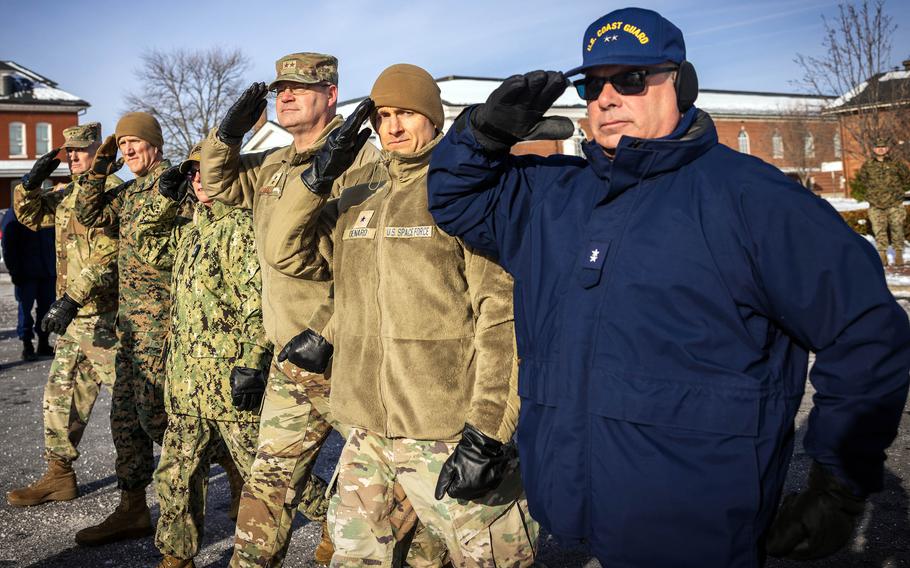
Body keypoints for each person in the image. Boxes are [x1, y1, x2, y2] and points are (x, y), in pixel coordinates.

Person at [426, 7, 910, 566]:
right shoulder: (555, 198)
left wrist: (840, 483)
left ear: (679, 84)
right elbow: (456, 199)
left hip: (697, 523)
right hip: (581, 508)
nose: (607, 97)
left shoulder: (754, 200)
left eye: (630, 79)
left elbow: (866, 331)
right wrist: (483, 133)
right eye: (592, 84)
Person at [270, 63, 538, 567]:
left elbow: (501, 316)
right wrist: (315, 179)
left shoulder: (461, 193)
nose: (393, 127)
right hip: (368, 431)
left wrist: (489, 431)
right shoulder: (358, 198)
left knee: (492, 560)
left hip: (445, 430)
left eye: (407, 114)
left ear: (433, 118)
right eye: (384, 115)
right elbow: (283, 252)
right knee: (353, 558)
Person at [199, 52, 379, 567]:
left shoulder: (361, 161)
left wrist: (327, 329)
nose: (286, 95)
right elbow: (219, 184)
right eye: (281, 88)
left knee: (396, 480)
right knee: (269, 482)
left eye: (300, 87)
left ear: (331, 94)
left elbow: (369, 268)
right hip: (291, 356)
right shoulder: (276, 164)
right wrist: (225, 138)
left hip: (348, 354)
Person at [72, 112, 194, 546]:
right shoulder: (127, 193)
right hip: (129, 328)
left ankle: (232, 470)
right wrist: (100, 167)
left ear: (154, 145)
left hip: (163, 326)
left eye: (133, 142)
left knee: (159, 418)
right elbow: (89, 213)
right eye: (121, 144)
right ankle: (132, 508)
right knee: (124, 418)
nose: (127, 150)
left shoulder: (175, 184)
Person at [152, 144, 271, 568]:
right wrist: (163, 200)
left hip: (228, 386)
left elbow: (258, 303)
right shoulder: (190, 229)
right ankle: (176, 554)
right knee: (175, 477)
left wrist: (253, 362)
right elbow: (147, 243)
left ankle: (331, 520)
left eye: (205, 172)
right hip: (185, 384)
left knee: (268, 475)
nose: (198, 180)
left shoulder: (241, 226)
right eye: (191, 175)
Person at [6, 123, 120, 508]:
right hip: (74, 319)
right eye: (67, 151)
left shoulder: (114, 190)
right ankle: (59, 475)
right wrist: (30, 181)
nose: (72, 157)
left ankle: (230, 467)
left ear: (96, 151)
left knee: (147, 408)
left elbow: (111, 253)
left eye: (79, 150)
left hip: (111, 318)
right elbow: (29, 216)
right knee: (59, 396)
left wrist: (72, 298)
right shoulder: (67, 194)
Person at [0, 207, 55, 361]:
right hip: (26, 273)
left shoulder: (47, 209)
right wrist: (14, 270)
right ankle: (27, 345)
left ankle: (43, 342)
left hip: (47, 271)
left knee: (47, 309)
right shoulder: (16, 212)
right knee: (25, 309)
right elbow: (8, 245)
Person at [854, 137, 910, 266]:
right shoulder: (868, 165)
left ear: (888, 148)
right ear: (874, 149)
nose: (881, 149)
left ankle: (899, 255)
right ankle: (882, 255)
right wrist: (873, 193)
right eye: (878, 147)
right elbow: (863, 180)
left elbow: (906, 178)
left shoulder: (897, 163)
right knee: (879, 230)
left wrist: (897, 191)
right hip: (876, 204)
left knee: (897, 228)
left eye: (883, 147)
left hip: (894, 203)